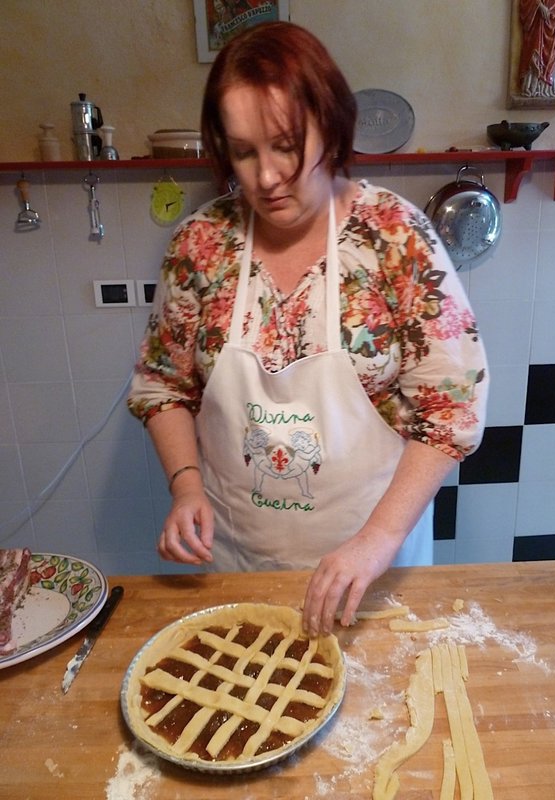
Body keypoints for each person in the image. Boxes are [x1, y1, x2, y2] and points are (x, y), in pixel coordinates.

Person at [128, 21, 488, 637]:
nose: (266, 177)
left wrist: (376, 541)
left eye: (286, 145)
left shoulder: (395, 239)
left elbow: (452, 410)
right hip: (241, 563)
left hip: (372, 568)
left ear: (332, 123)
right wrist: (186, 488)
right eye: (243, 151)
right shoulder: (201, 244)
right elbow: (163, 386)